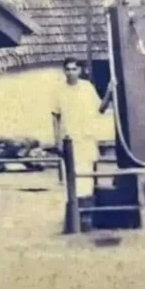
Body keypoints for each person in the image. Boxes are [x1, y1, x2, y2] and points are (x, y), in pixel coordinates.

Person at [52, 57, 103, 199]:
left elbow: (100, 108)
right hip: (69, 139)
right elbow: (55, 116)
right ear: (64, 71)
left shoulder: (87, 88)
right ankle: (73, 211)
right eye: (68, 69)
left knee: (87, 175)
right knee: (71, 175)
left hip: (86, 137)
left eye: (74, 69)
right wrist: (57, 141)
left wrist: (110, 93)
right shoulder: (59, 90)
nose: (71, 72)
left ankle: (87, 210)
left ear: (79, 70)